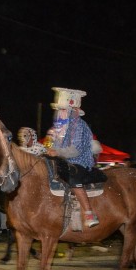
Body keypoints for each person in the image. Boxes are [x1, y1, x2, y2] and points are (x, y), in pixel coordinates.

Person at [43, 87, 105, 228]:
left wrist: (57, 152)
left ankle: (89, 213)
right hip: (61, 161)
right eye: (60, 109)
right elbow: (48, 144)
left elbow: (75, 150)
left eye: (63, 109)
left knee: (73, 178)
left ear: (72, 110)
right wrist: (47, 145)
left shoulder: (79, 126)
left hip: (78, 161)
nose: (60, 112)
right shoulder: (57, 127)